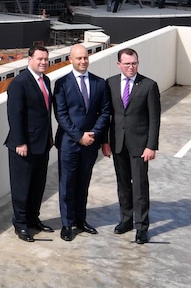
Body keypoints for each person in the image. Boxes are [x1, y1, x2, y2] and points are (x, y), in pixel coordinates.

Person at [103, 47, 161, 245]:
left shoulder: (149, 85)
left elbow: (154, 119)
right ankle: (126, 220)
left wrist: (151, 146)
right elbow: (106, 116)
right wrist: (105, 141)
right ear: (119, 64)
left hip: (139, 145)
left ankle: (142, 227)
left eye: (134, 63)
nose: (131, 67)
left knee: (140, 187)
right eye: (127, 63)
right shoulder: (110, 84)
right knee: (123, 185)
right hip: (117, 143)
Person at [53, 44, 112, 241]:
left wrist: (94, 134)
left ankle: (81, 219)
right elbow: (61, 115)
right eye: (78, 58)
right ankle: (67, 224)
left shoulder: (99, 83)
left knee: (83, 183)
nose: (82, 61)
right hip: (69, 143)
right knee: (67, 184)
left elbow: (105, 112)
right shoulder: (61, 84)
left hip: (91, 143)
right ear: (70, 59)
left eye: (85, 58)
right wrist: (79, 136)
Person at [5, 45, 54, 242]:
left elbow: (45, 113)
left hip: (42, 143)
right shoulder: (19, 83)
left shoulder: (46, 81)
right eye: (39, 59)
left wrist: (49, 135)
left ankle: (34, 218)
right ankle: (21, 224)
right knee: (21, 186)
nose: (43, 62)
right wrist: (20, 142)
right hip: (23, 145)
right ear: (29, 60)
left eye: (45, 59)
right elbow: (14, 115)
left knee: (37, 185)